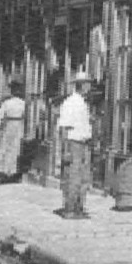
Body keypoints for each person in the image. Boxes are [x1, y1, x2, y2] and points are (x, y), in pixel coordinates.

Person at [56, 72, 95, 219]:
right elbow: (64, 127)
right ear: (81, 85)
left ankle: (79, 207)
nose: (89, 87)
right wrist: (66, 149)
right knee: (73, 176)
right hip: (74, 143)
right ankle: (70, 209)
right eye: (87, 84)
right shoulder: (71, 102)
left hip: (83, 142)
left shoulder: (82, 102)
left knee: (84, 177)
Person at [0, 80, 28, 183]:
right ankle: (11, 172)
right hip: (19, 125)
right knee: (14, 149)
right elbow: (25, 117)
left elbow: (2, 118)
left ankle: (0, 171)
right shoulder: (23, 103)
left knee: (4, 148)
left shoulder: (6, 103)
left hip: (9, 125)